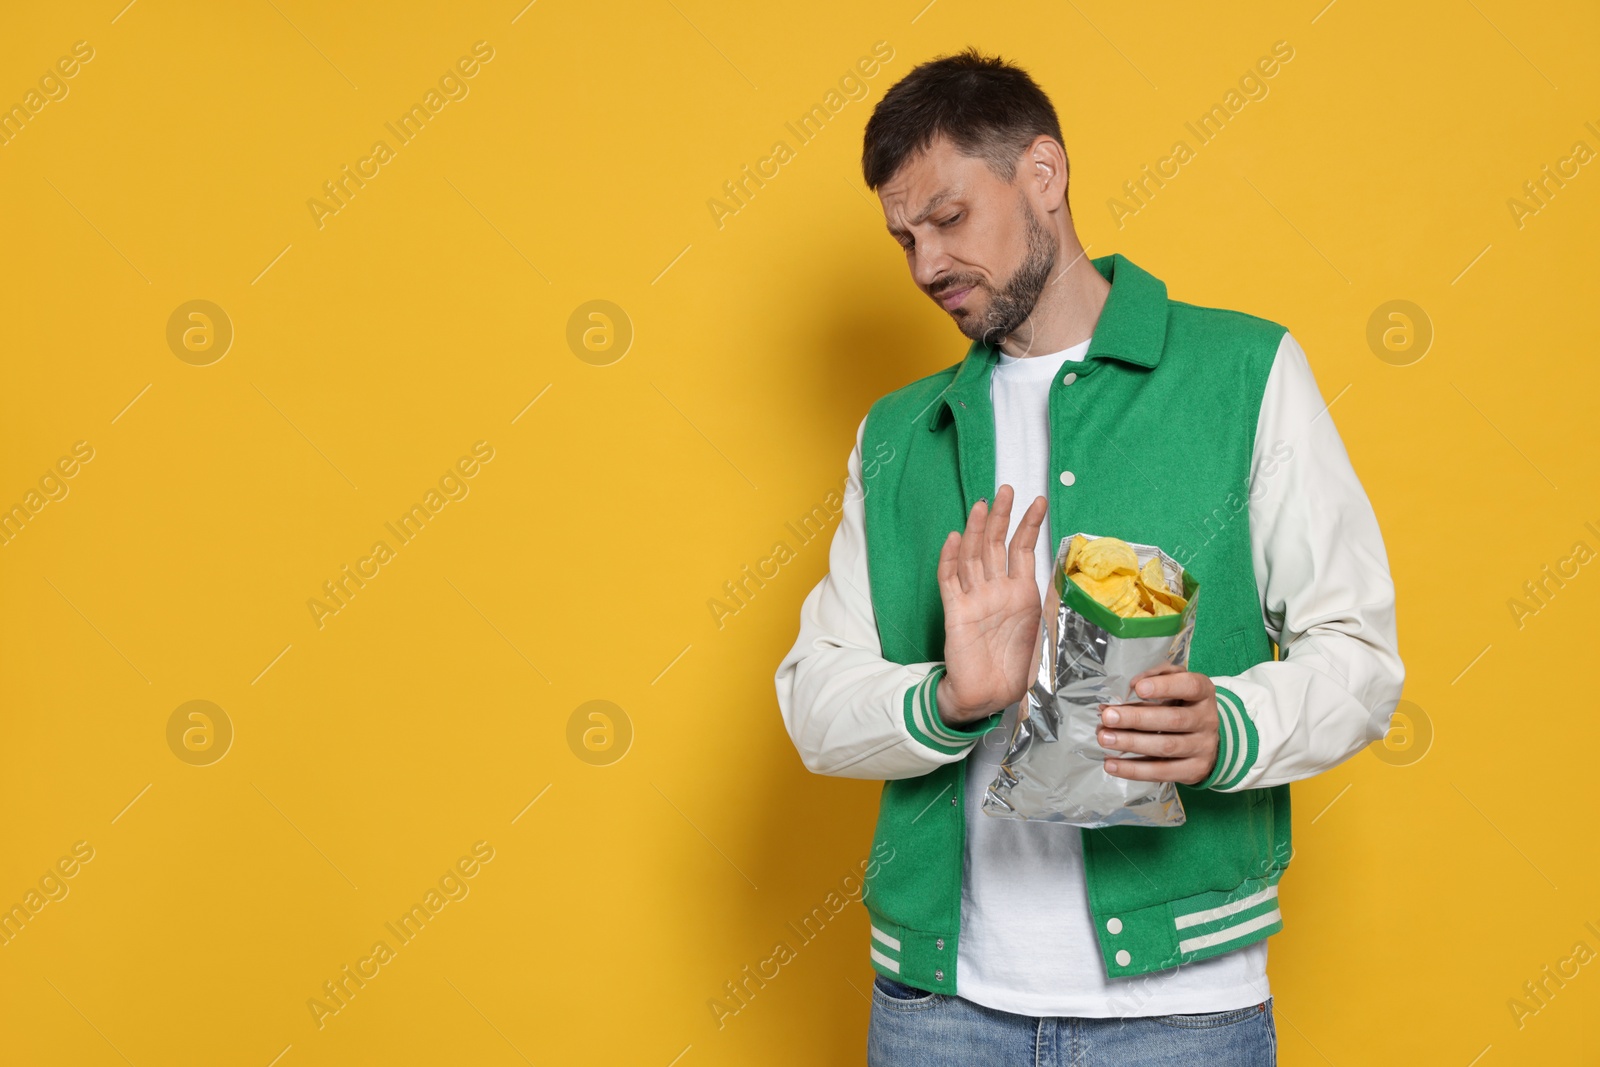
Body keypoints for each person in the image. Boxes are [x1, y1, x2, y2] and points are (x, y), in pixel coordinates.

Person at [772, 47, 1405, 1066]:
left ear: (1043, 175)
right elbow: (813, 701)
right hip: (938, 1008)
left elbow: (1357, 654)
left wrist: (1229, 727)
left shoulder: (1242, 372)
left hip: (1180, 1011)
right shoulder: (899, 432)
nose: (926, 264)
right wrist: (950, 695)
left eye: (947, 218)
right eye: (901, 239)